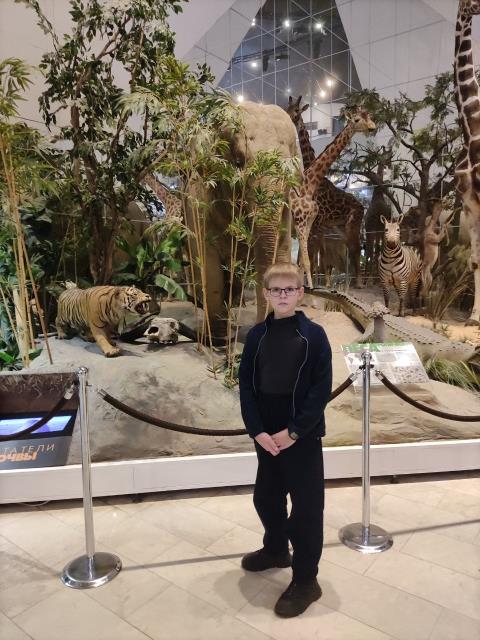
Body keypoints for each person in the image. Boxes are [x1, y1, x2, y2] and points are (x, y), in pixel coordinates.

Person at [238, 261, 332, 618]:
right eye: (275, 290)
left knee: (306, 510)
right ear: (266, 294)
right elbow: (246, 385)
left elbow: (320, 389)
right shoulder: (257, 336)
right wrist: (257, 430)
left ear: (300, 293)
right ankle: (276, 549)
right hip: (266, 433)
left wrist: (294, 431)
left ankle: (307, 580)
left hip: (300, 434)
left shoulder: (314, 336)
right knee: (266, 497)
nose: (282, 295)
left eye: (289, 289)